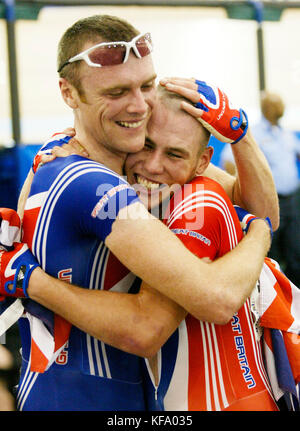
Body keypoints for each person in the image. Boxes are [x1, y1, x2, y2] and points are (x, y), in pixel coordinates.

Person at [0, 15, 276, 411]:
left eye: (147, 85)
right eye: (116, 91)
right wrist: (259, 233)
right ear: (69, 93)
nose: (139, 105)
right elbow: (206, 302)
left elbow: (259, 205)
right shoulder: (92, 182)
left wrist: (241, 135)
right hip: (79, 399)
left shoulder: (134, 151)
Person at [221, 91, 300, 287]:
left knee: (295, 252)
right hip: (270, 204)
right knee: (270, 256)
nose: (281, 109)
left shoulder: (286, 133)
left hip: (293, 201)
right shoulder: (252, 134)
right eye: (277, 105)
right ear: (267, 108)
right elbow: (228, 161)